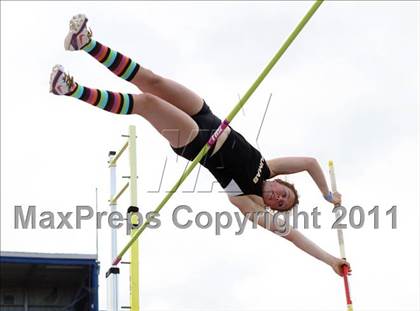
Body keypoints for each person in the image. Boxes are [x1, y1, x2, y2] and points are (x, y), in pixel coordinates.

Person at [50, 14, 351, 277]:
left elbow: (293, 236)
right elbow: (311, 162)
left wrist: (330, 261)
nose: (277, 198)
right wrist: (327, 195)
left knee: (145, 103)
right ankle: (85, 43)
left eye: (279, 204)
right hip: (206, 114)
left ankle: (71, 89)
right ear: (281, 183)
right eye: (283, 194)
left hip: (196, 142)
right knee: (152, 81)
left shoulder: (248, 203)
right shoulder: (268, 167)